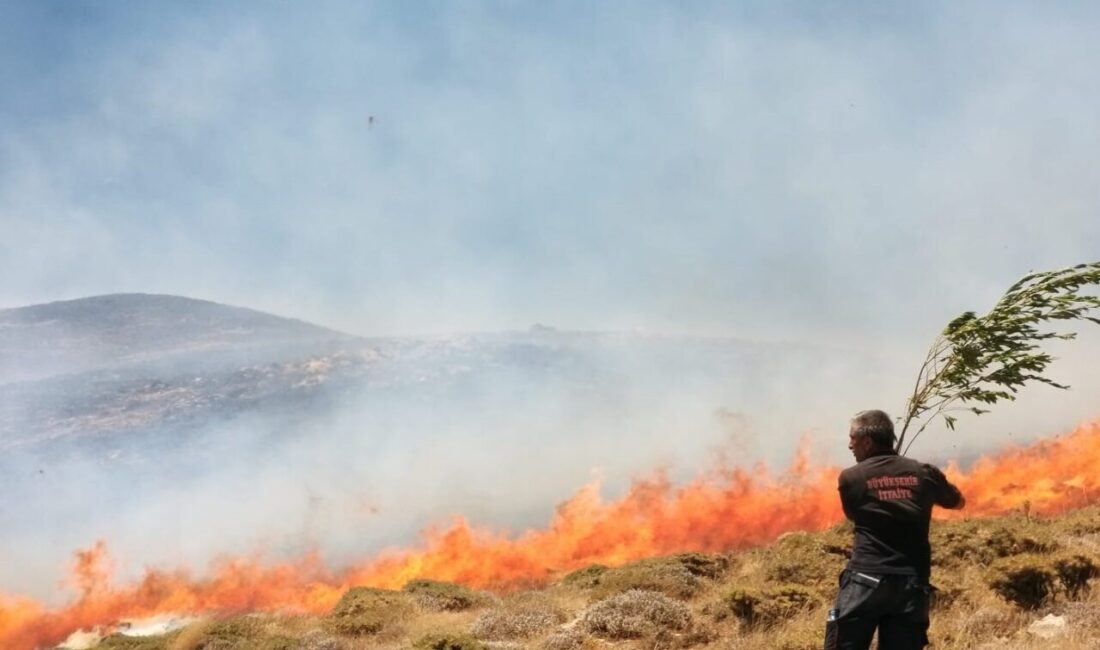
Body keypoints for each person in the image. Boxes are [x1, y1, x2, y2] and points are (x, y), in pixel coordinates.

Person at [824, 409, 965, 650]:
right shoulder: (924, 472)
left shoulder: (851, 478)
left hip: (864, 580)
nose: (850, 445)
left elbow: (853, 515)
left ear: (867, 442)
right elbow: (957, 502)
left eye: (852, 439)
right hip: (911, 583)